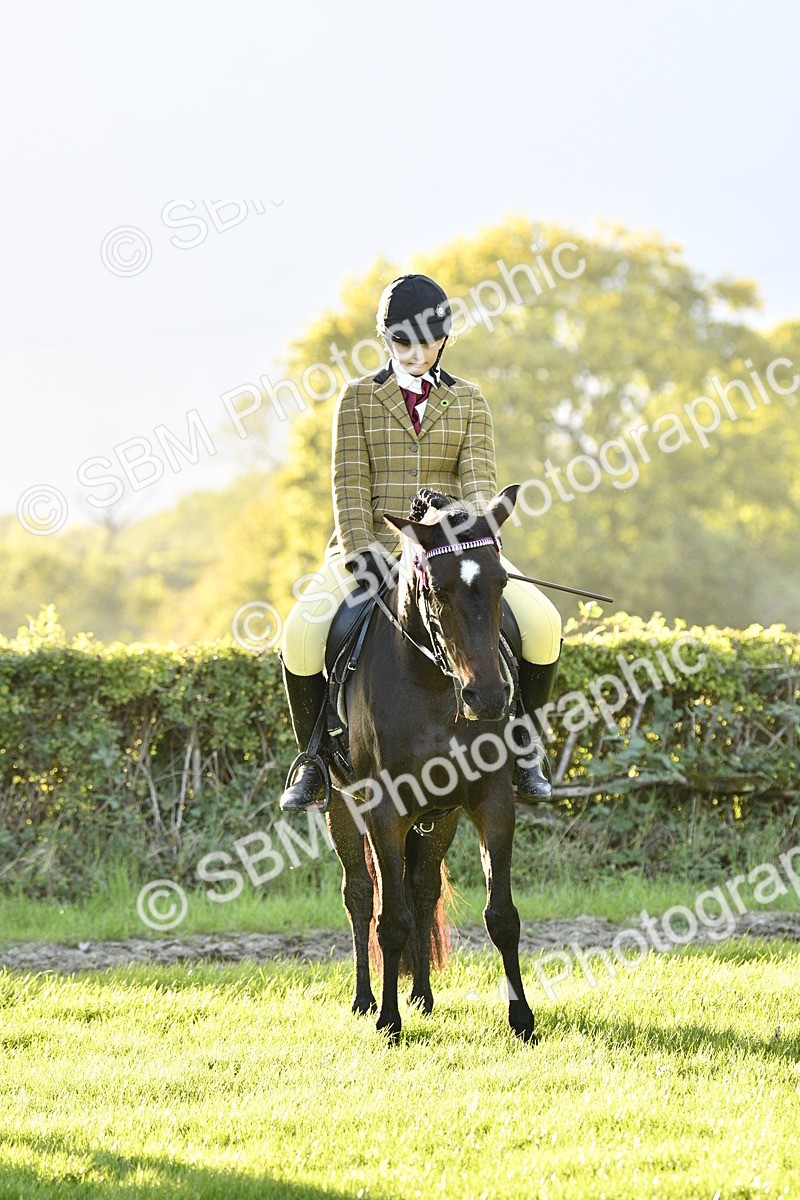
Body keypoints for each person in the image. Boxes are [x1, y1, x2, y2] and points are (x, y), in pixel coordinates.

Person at [279, 274, 562, 810]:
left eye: (425, 343)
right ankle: (313, 760)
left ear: (444, 341)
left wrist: (477, 532)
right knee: (300, 633)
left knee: (545, 623)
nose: (414, 353)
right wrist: (362, 552)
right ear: (387, 341)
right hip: (370, 552)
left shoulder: (470, 401)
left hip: (453, 553)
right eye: (401, 343)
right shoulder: (358, 399)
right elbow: (349, 483)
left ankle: (524, 750)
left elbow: (479, 479)